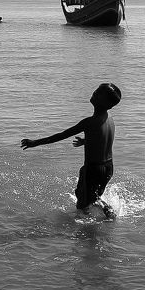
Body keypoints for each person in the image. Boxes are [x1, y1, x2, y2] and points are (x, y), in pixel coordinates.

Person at [20, 83, 122, 219]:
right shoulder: (109, 119)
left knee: (82, 204)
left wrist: (35, 143)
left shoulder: (89, 122)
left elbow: (61, 135)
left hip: (94, 169)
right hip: (108, 167)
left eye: (99, 93)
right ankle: (107, 215)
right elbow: (103, 138)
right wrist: (86, 141)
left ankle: (101, 219)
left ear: (106, 103)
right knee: (92, 196)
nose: (95, 92)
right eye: (97, 89)